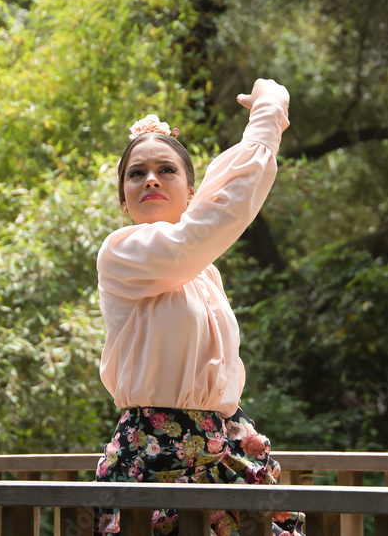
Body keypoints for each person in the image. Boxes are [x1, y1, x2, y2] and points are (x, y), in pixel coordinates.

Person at [92, 79, 305, 536]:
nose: (150, 178)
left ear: (192, 191)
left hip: (224, 446)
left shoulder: (205, 270)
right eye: (136, 173)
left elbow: (204, 230)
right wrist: (266, 122)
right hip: (154, 452)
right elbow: (202, 230)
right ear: (124, 200)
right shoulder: (121, 253)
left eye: (166, 169)